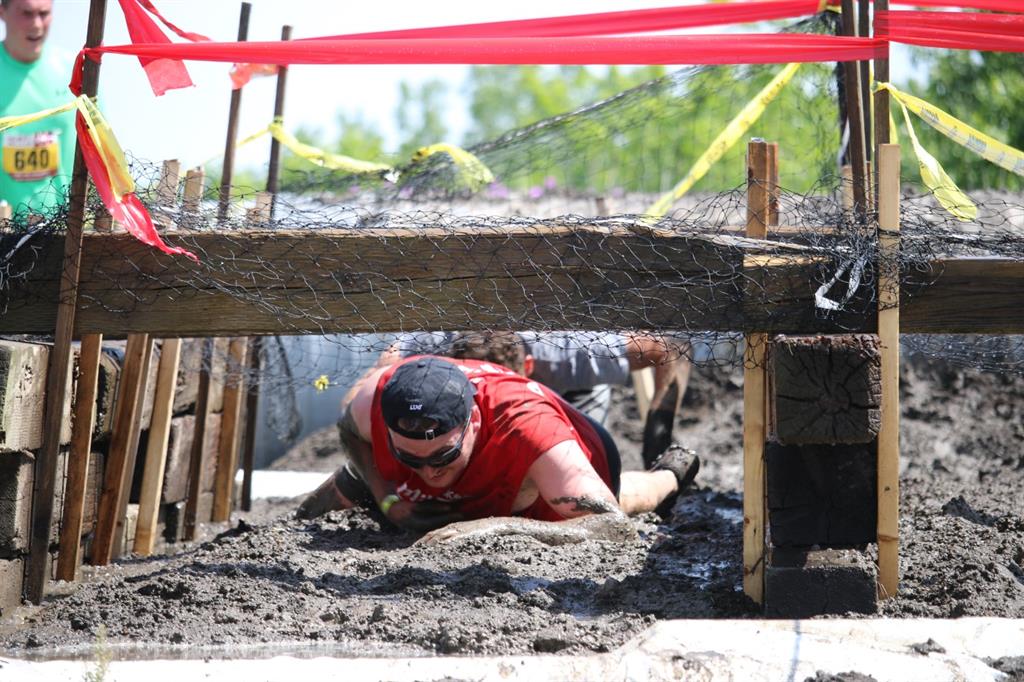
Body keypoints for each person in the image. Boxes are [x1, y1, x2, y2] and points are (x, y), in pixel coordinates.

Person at [297, 353, 699, 544]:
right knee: (335, 496)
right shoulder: (372, 403)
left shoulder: (530, 430)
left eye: (442, 456)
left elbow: (611, 525)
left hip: (538, 487)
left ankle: (669, 475)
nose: (429, 472)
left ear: (473, 422)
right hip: (463, 478)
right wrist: (387, 497)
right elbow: (349, 432)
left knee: (625, 498)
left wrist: (485, 528)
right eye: (408, 456)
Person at [382, 330, 692, 468]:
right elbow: (383, 368)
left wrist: (657, 436)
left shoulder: (570, 354)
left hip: (573, 393)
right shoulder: (435, 350)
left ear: (527, 367)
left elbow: (673, 350)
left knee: (576, 465)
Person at [0, 0, 75, 216]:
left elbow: (101, 154)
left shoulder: (77, 71)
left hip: (65, 235)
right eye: (26, 13)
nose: (36, 25)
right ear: (2, 12)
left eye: (44, 14)